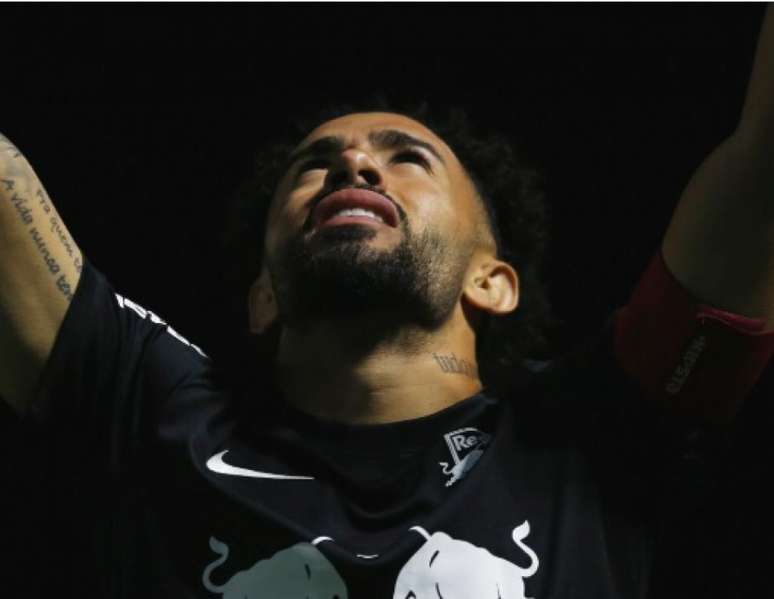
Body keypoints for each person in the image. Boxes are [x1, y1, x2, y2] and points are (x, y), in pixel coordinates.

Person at [1, 10, 773, 598]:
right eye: (314, 166)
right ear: (263, 297)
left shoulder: (597, 436)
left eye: (408, 158)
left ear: (491, 281)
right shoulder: (155, 410)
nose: (357, 163)